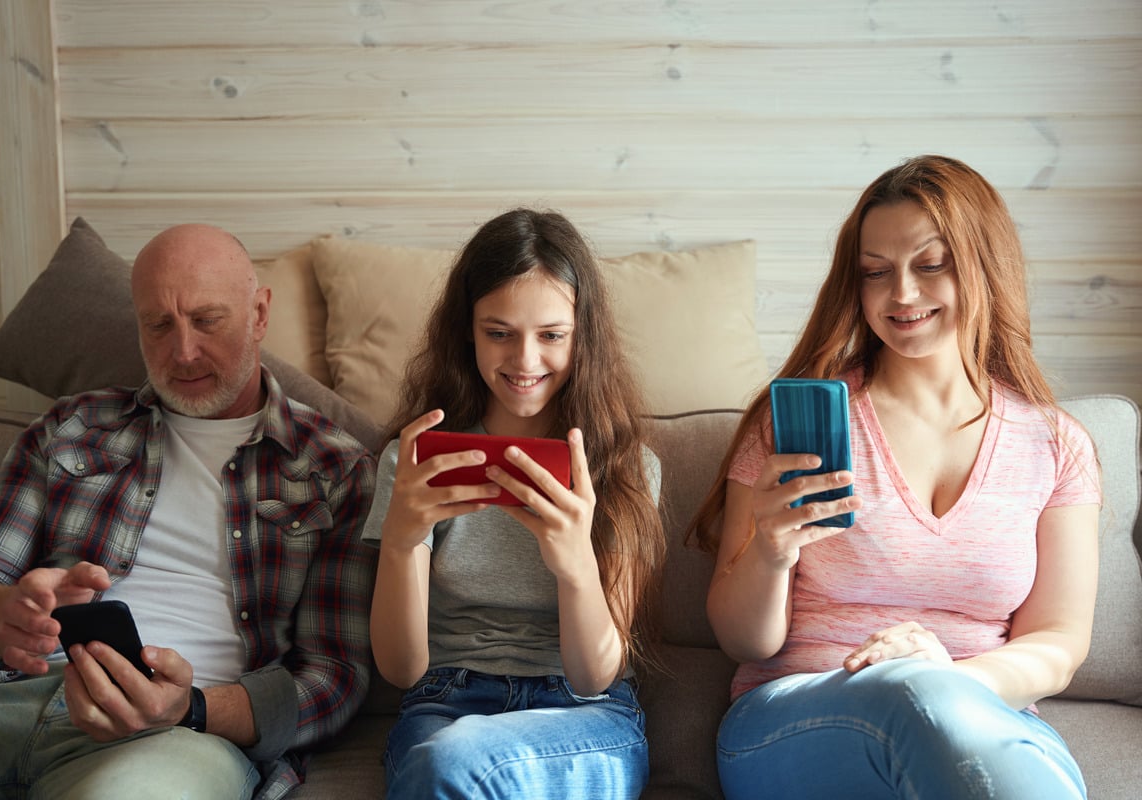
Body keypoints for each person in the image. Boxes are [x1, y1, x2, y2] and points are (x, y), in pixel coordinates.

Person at [689, 155, 1101, 799]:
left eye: (929, 265)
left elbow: (1058, 642)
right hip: (797, 719)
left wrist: (950, 677)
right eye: (875, 273)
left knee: (942, 713)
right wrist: (768, 551)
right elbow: (743, 640)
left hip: (985, 720)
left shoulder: (1055, 445)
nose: (902, 294)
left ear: (982, 266)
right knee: (915, 699)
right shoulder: (790, 425)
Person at [0, 224, 376, 799]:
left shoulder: (333, 468)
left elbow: (335, 677)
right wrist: (6, 614)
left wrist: (189, 708)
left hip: (173, 738)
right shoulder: (71, 429)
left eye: (207, 320)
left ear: (259, 313)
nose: (183, 351)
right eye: (159, 325)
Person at [363, 208, 666, 799]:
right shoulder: (414, 462)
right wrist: (401, 541)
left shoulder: (627, 469)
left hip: (585, 709)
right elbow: (400, 670)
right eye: (498, 333)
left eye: (551, 335)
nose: (525, 362)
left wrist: (575, 561)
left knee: (459, 765)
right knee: (448, 760)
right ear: (466, 332)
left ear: (584, 337)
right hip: (446, 701)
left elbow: (595, 673)